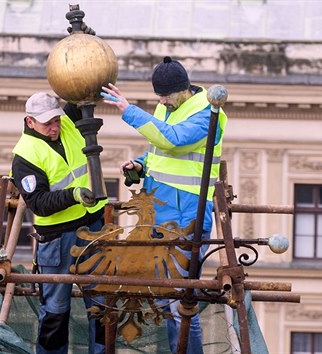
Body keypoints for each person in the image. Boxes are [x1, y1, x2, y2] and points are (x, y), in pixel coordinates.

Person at [101, 56, 227, 354]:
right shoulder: (168, 105)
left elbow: (174, 140)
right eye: (159, 96)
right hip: (159, 211)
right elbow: (161, 150)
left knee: (180, 301)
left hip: (188, 215)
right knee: (163, 298)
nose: (161, 101)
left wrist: (128, 111)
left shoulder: (208, 112)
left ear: (183, 90)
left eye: (165, 95)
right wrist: (141, 165)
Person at [10, 92, 108, 354]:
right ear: (30, 122)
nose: (54, 127)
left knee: (101, 305)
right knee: (55, 311)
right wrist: (73, 195)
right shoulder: (25, 156)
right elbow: (39, 202)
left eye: (56, 120)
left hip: (91, 229)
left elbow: (81, 93)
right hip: (56, 239)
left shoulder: (66, 124)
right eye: (47, 124)